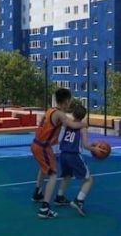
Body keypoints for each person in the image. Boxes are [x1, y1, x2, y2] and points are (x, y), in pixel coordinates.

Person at [31, 88, 85, 219]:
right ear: (66, 101)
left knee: (43, 168)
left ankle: (37, 193)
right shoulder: (59, 114)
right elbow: (72, 125)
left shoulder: (51, 110)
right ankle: (44, 208)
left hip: (36, 144)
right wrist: (84, 124)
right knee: (53, 174)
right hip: (43, 147)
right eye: (69, 100)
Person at [51, 101, 96, 216]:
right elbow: (85, 145)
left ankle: (59, 197)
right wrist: (94, 149)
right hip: (73, 155)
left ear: (73, 114)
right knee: (89, 180)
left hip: (63, 154)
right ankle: (78, 201)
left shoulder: (67, 124)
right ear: (83, 116)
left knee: (67, 176)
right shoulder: (82, 127)